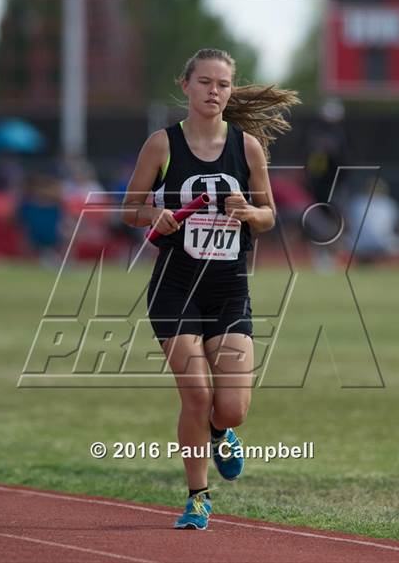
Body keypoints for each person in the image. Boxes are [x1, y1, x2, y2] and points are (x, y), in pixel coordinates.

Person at [122, 48, 298, 530]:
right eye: (204, 82)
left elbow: (268, 218)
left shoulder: (248, 148)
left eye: (222, 84)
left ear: (230, 90)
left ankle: (222, 433)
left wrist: (248, 211)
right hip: (176, 286)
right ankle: (198, 498)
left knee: (232, 409)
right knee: (196, 396)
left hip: (228, 287)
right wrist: (152, 214)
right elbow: (128, 209)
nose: (213, 92)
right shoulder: (162, 144)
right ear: (186, 85)